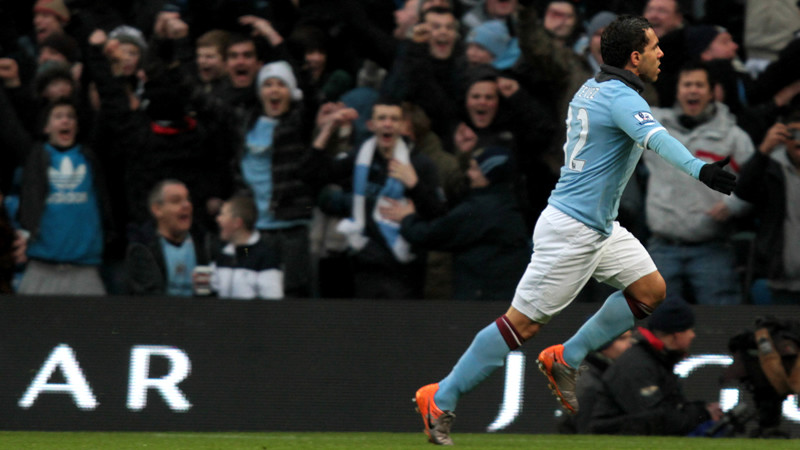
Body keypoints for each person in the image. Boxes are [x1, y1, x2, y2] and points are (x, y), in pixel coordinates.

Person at [413, 15, 738, 445]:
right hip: (572, 231)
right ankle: (441, 396)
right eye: (656, 47)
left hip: (598, 225)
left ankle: (567, 356)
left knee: (650, 291)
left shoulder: (591, 88)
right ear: (635, 57)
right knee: (520, 326)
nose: (662, 54)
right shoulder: (621, 98)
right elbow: (657, 139)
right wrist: (701, 170)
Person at [302, 98, 446, 300]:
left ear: (402, 125)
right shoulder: (360, 158)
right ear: (371, 125)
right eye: (382, 118)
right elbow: (310, 174)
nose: (387, 123)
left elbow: (438, 214)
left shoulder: (420, 164)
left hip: (406, 270)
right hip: (365, 267)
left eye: (394, 119)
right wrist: (327, 129)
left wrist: (414, 185)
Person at [644, 61, 754, 305]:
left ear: (712, 92)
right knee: (654, 324)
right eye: (687, 85)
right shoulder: (652, 129)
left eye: (699, 85)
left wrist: (734, 206)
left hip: (712, 249)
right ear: (677, 91)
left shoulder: (734, 136)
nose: (692, 90)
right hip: (662, 246)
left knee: (720, 325)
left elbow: (753, 184)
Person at [380, 145, 530, 301]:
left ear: (489, 175)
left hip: (481, 298)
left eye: (475, 169)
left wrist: (407, 218)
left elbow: (432, 234)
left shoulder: (480, 210)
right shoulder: (507, 202)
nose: (469, 174)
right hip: (502, 296)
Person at [16, 98, 112, 295]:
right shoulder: (35, 157)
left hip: (85, 270)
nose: (65, 121)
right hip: (41, 268)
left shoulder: (90, 157)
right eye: (58, 117)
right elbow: (9, 126)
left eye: (70, 117)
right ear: (46, 127)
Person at [588, 297, 724, 435]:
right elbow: (657, 421)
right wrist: (702, 414)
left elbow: (669, 410)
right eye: (689, 329)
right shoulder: (636, 365)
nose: (693, 335)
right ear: (675, 335)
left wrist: (702, 410)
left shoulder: (658, 359)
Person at [733, 112, 800, 304]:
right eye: (793, 134)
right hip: (781, 281)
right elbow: (743, 191)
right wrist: (763, 151)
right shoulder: (772, 169)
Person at [125, 180, 212, 296]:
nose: (186, 205)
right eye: (176, 201)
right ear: (157, 210)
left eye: (188, 200)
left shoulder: (205, 242)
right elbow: (144, 297)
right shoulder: (141, 248)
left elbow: (243, 253)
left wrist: (244, 248)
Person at [560, 329, 634, 434]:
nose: (630, 344)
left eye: (630, 337)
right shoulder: (588, 385)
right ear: (602, 343)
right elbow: (586, 437)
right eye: (622, 339)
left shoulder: (607, 373)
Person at [211, 195, 283, 300]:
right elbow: (212, 293)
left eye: (222, 215)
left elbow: (273, 302)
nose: (218, 219)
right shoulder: (222, 255)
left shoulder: (265, 257)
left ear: (237, 223)